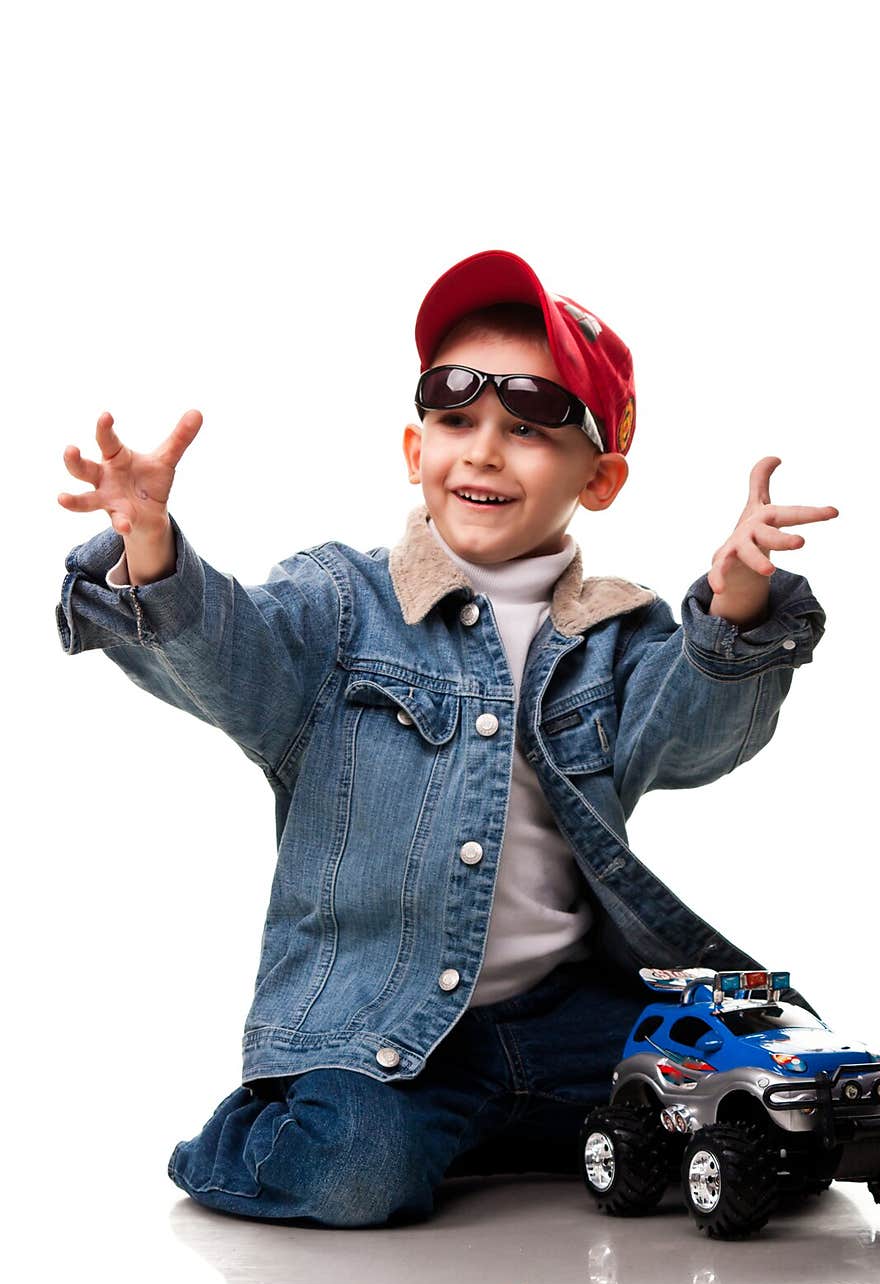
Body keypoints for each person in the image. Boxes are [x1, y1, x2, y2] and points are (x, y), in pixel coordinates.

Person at [56, 249, 837, 1228]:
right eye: (455, 419)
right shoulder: (341, 604)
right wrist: (153, 550)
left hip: (563, 1013)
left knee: (747, 1074)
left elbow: (693, 734)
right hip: (387, 1023)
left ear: (599, 480)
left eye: (527, 428)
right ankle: (279, 1130)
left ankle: (495, 1121)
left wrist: (735, 604)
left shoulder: (614, 632)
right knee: (356, 1172)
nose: (483, 451)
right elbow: (233, 664)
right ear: (411, 448)